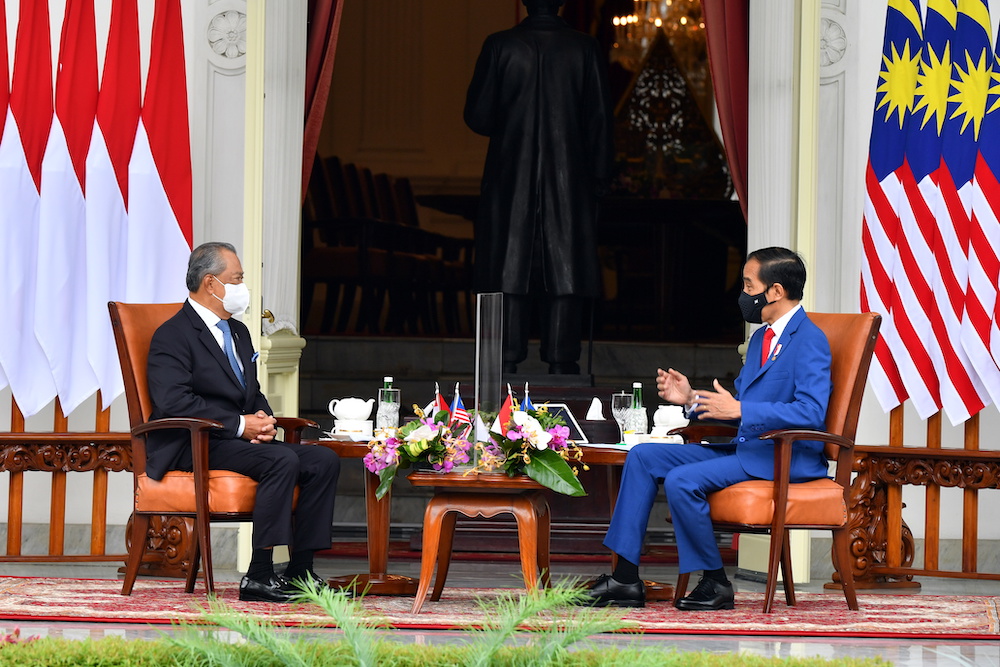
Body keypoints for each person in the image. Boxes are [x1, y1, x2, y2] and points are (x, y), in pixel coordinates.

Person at [581, 247, 832, 610]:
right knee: (643, 457)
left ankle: (715, 582)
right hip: (747, 449)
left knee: (684, 479)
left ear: (775, 291)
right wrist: (689, 399)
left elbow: (810, 412)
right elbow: (735, 409)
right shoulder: (762, 337)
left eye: (749, 285)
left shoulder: (811, 341)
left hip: (781, 457)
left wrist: (743, 409)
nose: (743, 293)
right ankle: (625, 579)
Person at [146, 242, 341, 603]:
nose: (242, 287)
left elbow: (251, 391)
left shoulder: (237, 331)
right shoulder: (172, 335)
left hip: (235, 441)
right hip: (195, 443)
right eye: (237, 279)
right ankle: (259, 576)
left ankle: (300, 571)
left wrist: (264, 418)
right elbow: (174, 402)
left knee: (322, 460)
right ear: (210, 283)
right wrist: (239, 424)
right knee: (282, 460)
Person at [464, 0, 613, 375]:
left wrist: (512, 110)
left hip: (509, 176)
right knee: (566, 271)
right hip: (570, 180)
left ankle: (503, 364)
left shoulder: (501, 45)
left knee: (507, 269)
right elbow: (600, 121)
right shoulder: (584, 47)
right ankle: (563, 364)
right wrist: (600, 181)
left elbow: (478, 117)